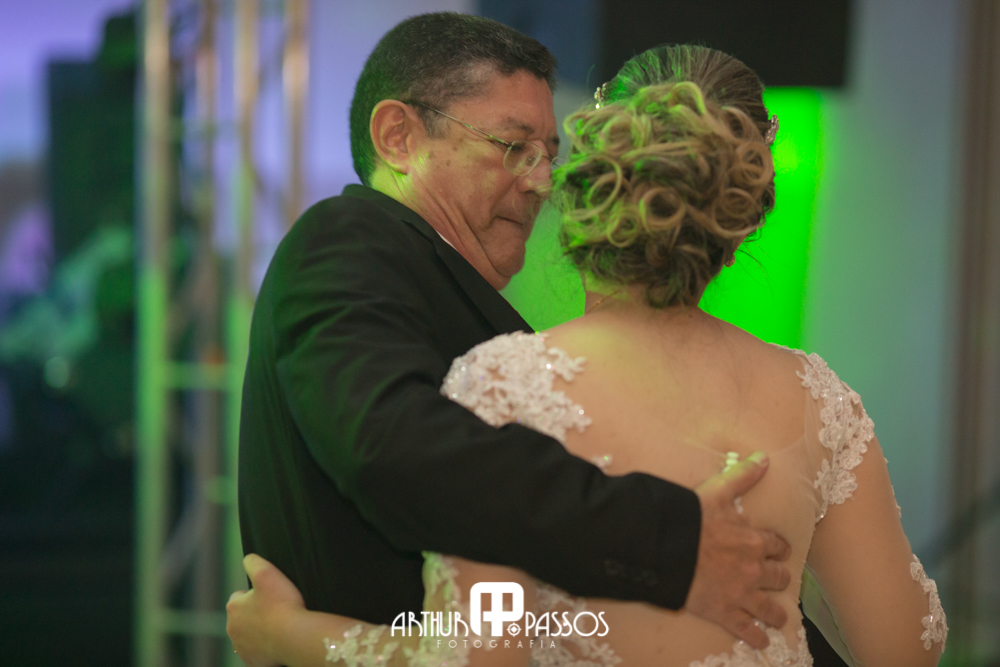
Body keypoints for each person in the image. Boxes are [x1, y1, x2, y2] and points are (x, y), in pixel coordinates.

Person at [229, 44, 948, 666]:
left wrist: (292, 634)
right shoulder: (817, 397)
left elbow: (482, 656)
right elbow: (905, 647)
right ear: (735, 218)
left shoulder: (507, 385)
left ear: (589, 191)